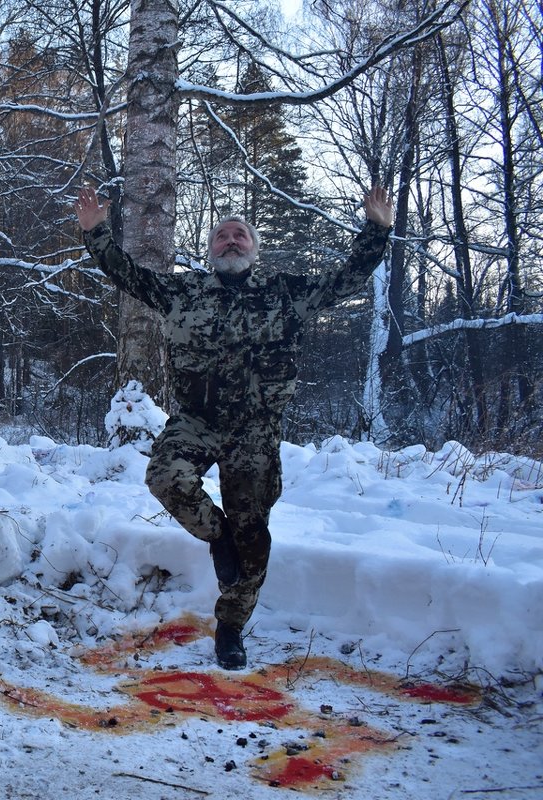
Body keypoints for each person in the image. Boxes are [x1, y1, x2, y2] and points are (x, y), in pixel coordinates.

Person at [73, 186, 394, 670]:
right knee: (165, 478)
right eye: (221, 236)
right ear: (209, 250)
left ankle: (230, 626)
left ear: (254, 248)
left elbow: (346, 279)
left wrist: (377, 229)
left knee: (253, 534)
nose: (230, 240)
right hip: (196, 421)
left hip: (256, 431)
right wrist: (97, 233)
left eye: (239, 235)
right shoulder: (183, 291)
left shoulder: (285, 293)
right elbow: (128, 274)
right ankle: (215, 536)